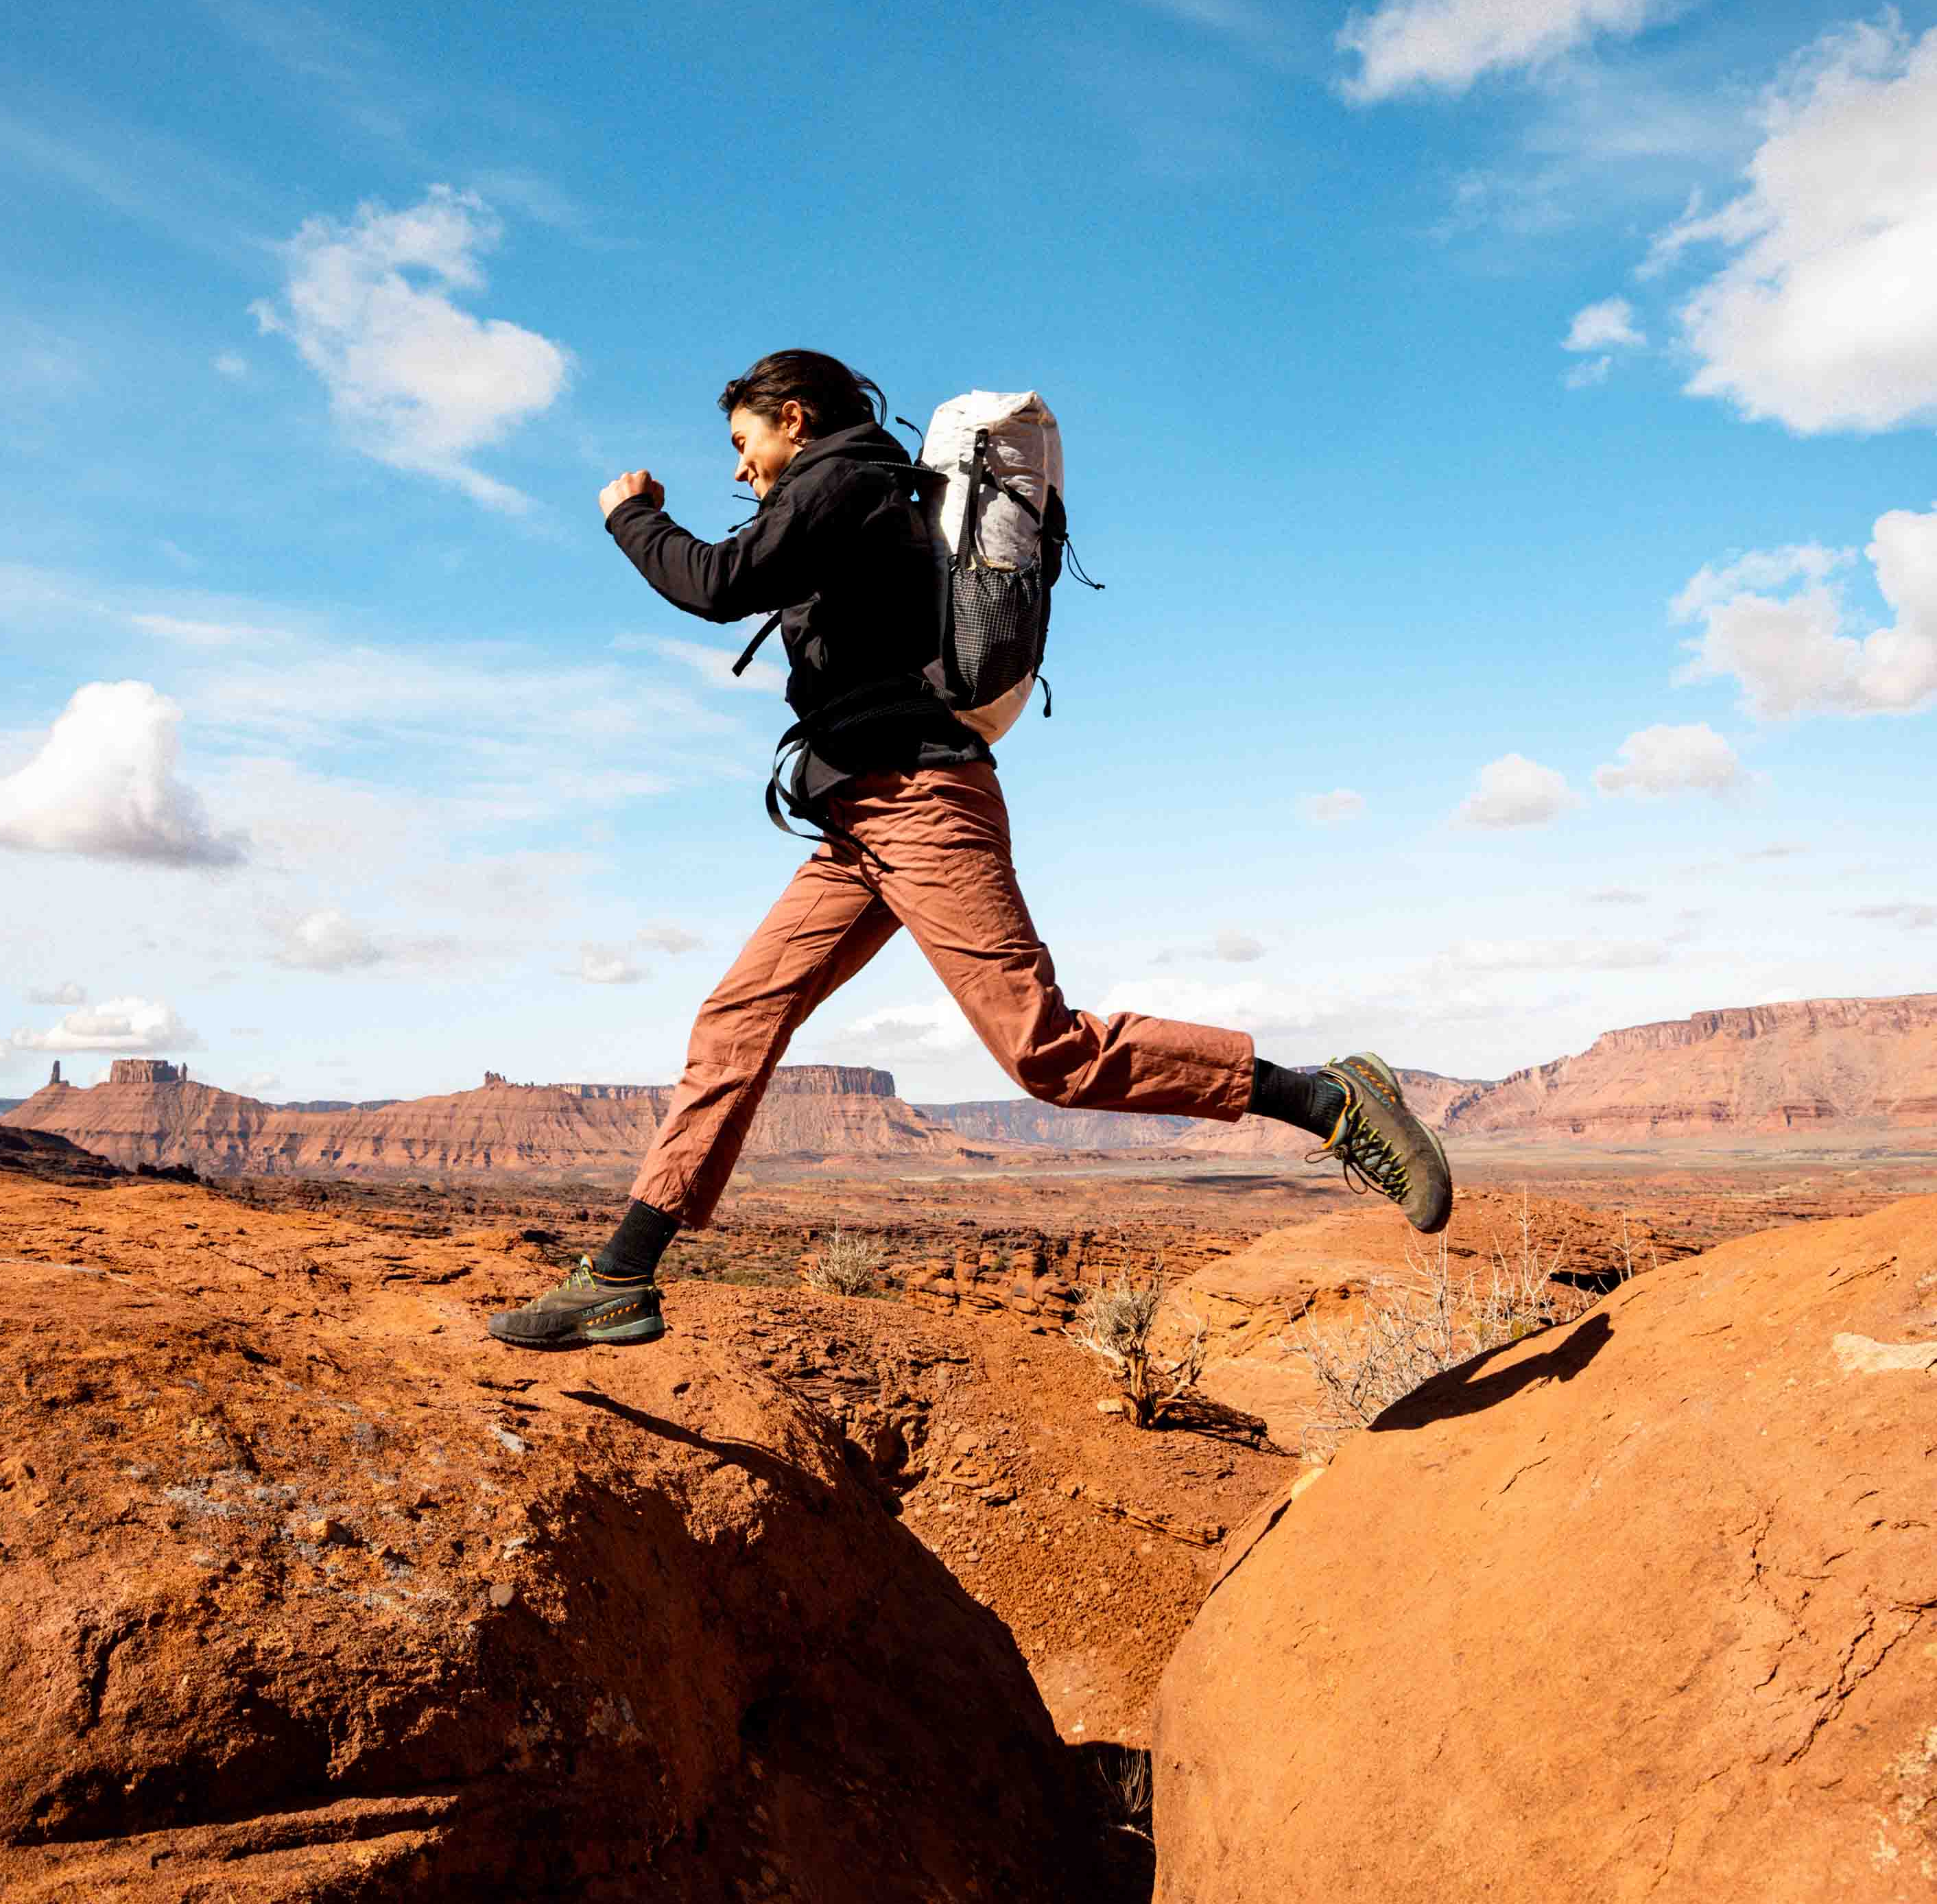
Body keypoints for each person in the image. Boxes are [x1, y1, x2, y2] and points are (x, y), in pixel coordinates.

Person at [488, 350, 1451, 1350]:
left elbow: (718, 583)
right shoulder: (836, 492)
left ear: (795, 418)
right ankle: (621, 1276)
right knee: (738, 1017)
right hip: (861, 817)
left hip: (919, 800)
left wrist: (631, 515)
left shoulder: (847, 478)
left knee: (1045, 1053)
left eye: (744, 444)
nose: (739, 470)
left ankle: (1326, 1098)